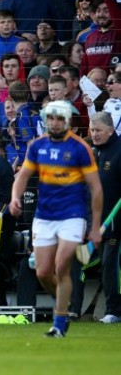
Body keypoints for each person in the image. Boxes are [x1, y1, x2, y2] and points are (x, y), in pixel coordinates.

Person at [9, 100, 103, 337]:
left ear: (67, 121)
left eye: (59, 118)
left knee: (62, 266)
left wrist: (95, 226)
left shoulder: (81, 148)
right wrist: (14, 198)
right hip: (44, 215)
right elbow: (23, 176)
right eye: (50, 118)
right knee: (42, 272)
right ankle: (63, 302)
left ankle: (59, 322)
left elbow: (96, 189)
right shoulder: (37, 146)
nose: (54, 122)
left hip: (73, 214)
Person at [89, 112, 121, 323]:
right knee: (97, 264)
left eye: (98, 130)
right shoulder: (93, 153)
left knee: (111, 263)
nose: (94, 134)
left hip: (117, 224)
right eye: (92, 130)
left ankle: (114, 311)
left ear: (111, 130)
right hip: (97, 224)